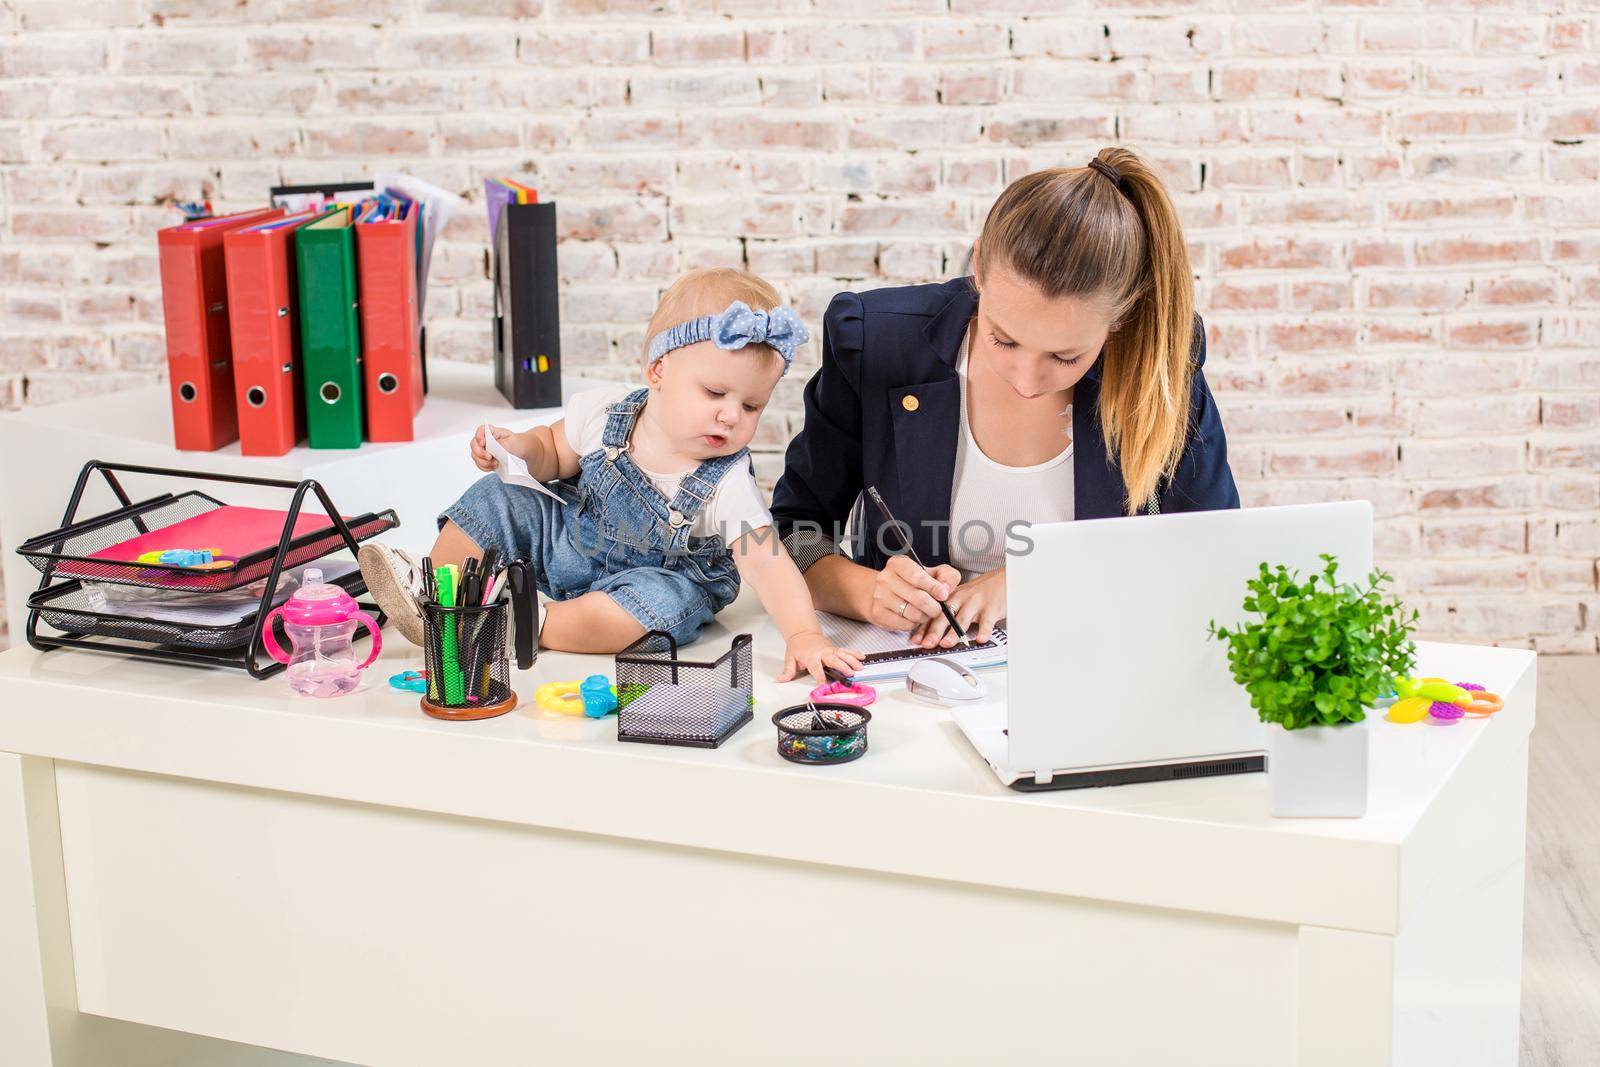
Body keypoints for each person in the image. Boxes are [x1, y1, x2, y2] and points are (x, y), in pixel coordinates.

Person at [769, 147, 1239, 651]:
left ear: (1121, 317)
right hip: (917, 680)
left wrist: (1035, 578)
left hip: (1096, 664)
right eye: (1004, 339)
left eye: (1065, 357)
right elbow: (793, 532)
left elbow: (1211, 556)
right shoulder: (877, 346)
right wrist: (866, 592)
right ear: (979, 269)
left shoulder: (1159, 368)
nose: (1028, 380)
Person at [360, 267, 862, 684]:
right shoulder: (607, 415)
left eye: (752, 405)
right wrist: (518, 451)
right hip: (571, 543)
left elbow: (769, 566)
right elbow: (553, 451)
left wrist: (804, 637)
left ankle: (524, 623)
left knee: (654, 607)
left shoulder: (727, 484)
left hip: (657, 576)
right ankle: (439, 597)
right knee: (500, 497)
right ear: (658, 372)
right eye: (715, 393)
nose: (732, 416)